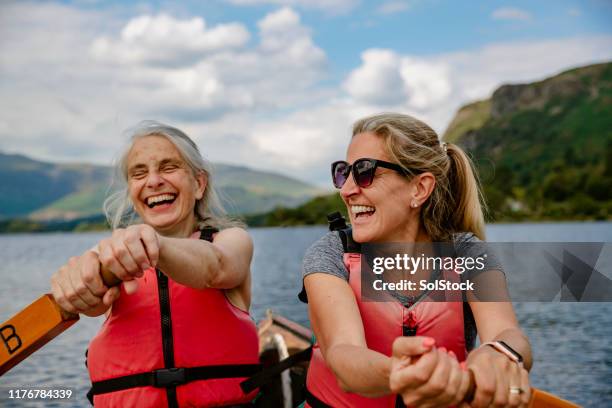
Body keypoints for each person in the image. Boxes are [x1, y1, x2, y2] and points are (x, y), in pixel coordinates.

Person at [301, 113, 532, 407]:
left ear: (419, 188)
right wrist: (404, 372)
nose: (346, 190)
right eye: (343, 172)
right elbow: (343, 353)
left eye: (364, 171)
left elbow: (508, 333)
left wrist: (496, 354)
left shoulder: (468, 253)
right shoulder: (330, 254)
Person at [50, 121, 260, 407]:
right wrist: (73, 282)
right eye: (139, 173)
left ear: (198, 184)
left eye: (168, 167)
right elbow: (92, 302)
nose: (153, 181)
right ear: (132, 193)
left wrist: (155, 244)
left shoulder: (232, 240)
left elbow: (219, 266)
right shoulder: (109, 255)